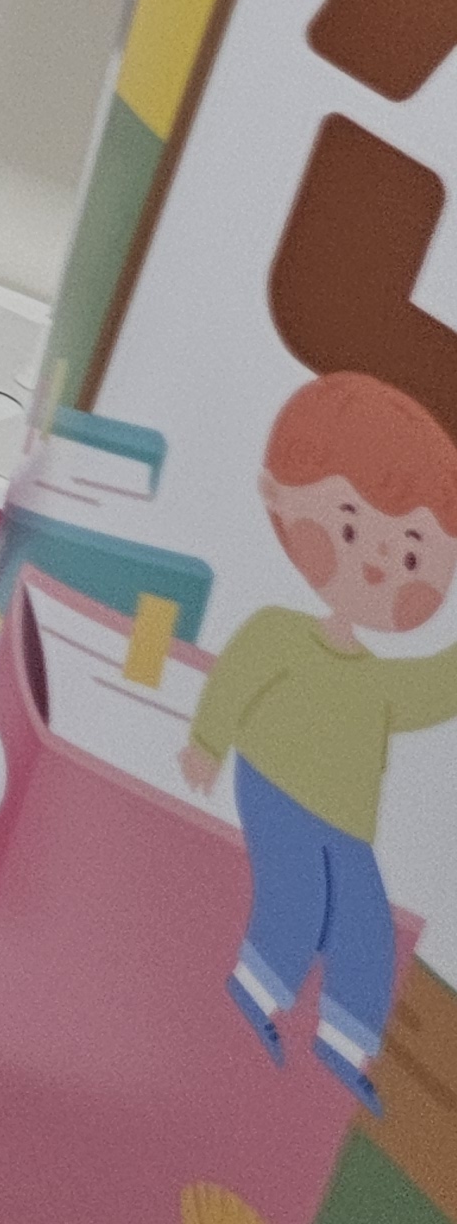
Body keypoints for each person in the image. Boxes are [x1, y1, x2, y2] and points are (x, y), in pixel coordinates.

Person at [184, 369, 457, 1111]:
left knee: (365, 927)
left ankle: (343, 1040)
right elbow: (237, 676)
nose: (379, 560)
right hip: (275, 786)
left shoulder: (379, 684)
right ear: (281, 499)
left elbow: (433, 691)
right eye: (352, 526)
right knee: (299, 899)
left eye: (412, 555)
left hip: (346, 822)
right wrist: (207, 740)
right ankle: (254, 989)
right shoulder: (280, 633)